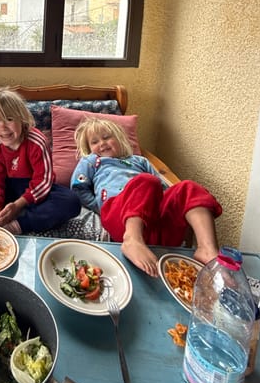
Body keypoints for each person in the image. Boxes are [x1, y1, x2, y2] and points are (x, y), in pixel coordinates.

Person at [71, 117, 222, 276]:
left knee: (188, 187)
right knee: (145, 181)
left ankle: (207, 249)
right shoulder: (92, 161)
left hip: (154, 223)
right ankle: (132, 240)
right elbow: (78, 188)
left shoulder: (140, 161)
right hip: (119, 215)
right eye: (94, 142)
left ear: (119, 139)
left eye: (107, 137)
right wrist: (99, 206)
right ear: (89, 148)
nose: (102, 143)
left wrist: (173, 201)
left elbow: (162, 186)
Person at [0, 88, 81, 234]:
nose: (3, 128)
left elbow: (43, 181)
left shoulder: (38, 142)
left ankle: (16, 225)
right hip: (6, 186)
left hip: (34, 191)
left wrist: (18, 205)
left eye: (9, 119)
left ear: (22, 119)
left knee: (71, 201)